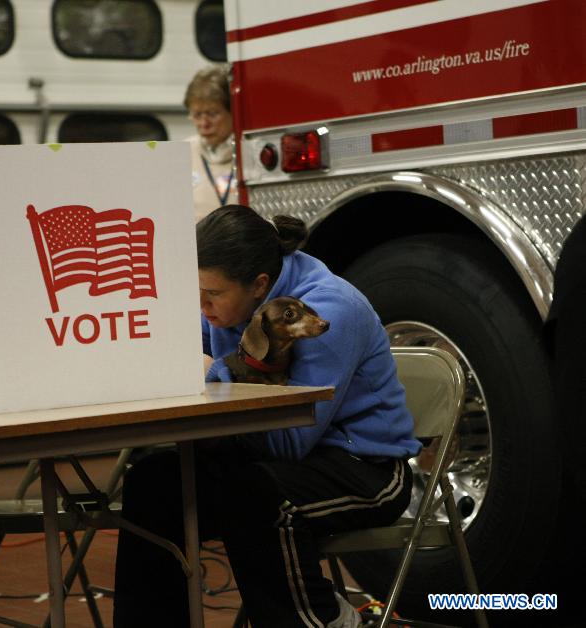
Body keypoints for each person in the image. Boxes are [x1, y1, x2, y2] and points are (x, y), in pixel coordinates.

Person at [113, 205, 421, 628]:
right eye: (195, 291)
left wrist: (213, 373)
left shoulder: (323, 313)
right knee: (154, 483)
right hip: (268, 460)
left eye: (212, 295)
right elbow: (173, 346)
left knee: (256, 495)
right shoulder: (225, 303)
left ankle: (327, 618)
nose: (201, 305)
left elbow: (289, 442)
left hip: (364, 468)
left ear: (259, 286)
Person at [184, 65, 235, 222]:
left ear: (233, 111)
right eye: (197, 114)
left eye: (213, 114)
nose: (204, 123)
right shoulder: (183, 152)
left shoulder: (248, 152)